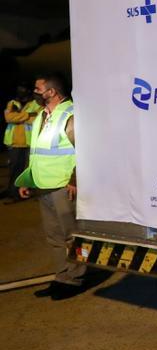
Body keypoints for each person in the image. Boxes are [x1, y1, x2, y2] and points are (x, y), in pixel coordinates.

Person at [15, 74, 88, 300]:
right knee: (54, 236)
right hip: (43, 186)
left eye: (38, 89)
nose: (34, 92)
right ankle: (62, 276)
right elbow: (36, 152)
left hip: (63, 187)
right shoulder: (41, 117)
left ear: (52, 92)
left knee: (71, 235)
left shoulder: (70, 115)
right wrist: (27, 180)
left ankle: (76, 278)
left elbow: (84, 151)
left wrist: (75, 180)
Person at [3, 84, 41, 199]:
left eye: (22, 90)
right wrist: (28, 115)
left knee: (29, 170)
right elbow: (8, 118)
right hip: (14, 142)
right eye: (19, 90)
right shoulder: (12, 103)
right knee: (15, 169)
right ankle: (13, 191)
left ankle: (26, 191)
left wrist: (18, 116)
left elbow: (36, 119)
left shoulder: (36, 103)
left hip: (30, 142)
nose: (20, 93)